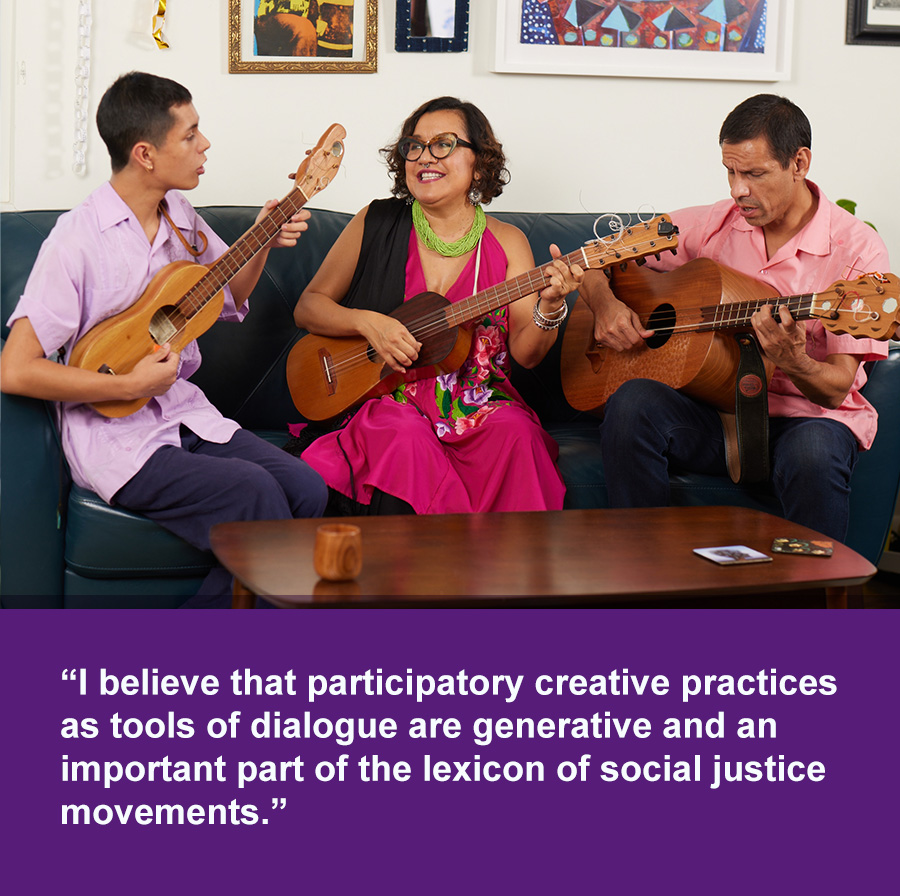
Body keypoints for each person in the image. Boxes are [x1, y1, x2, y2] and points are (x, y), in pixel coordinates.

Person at [1, 71, 327, 599]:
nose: (206, 144)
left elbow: (228, 293)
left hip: (183, 413)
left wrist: (263, 237)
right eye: (190, 134)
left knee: (306, 488)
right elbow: (15, 370)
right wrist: (125, 387)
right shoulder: (76, 240)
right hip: (117, 437)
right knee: (254, 493)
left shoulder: (181, 217)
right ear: (146, 154)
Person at [579, 93, 890, 541]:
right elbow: (593, 256)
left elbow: (837, 389)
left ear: (799, 163)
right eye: (730, 171)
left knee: (815, 455)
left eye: (755, 174)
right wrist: (602, 303)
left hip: (805, 419)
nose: (737, 190)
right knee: (632, 404)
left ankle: (815, 606)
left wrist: (793, 359)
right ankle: (637, 577)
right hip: (714, 412)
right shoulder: (712, 223)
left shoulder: (858, 250)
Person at [293, 96, 583, 515]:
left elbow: (527, 353)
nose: (424, 156)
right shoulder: (374, 222)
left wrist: (551, 306)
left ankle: (505, 576)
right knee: (402, 433)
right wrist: (369, 323)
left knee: (515, 432)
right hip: (383, 396)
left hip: (476, 403)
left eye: (444, 143)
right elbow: (308, 307)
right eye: (415, 145)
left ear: (479, 163)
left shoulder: (507, 242)